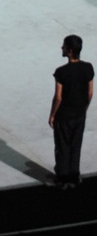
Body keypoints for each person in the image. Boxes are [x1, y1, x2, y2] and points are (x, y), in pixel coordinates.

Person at [49, 35, 94, 189]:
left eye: (63, 46)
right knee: (76, 145)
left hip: (64, 116)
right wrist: (84, 109)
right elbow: (90, 93)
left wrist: (52, 115)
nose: (61, 48)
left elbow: (58, 98)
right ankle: (74, 176)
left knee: (62, 147)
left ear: (69, 51)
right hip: (79, 114)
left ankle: (62, 178)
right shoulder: (88, 68)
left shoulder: (61, 72)